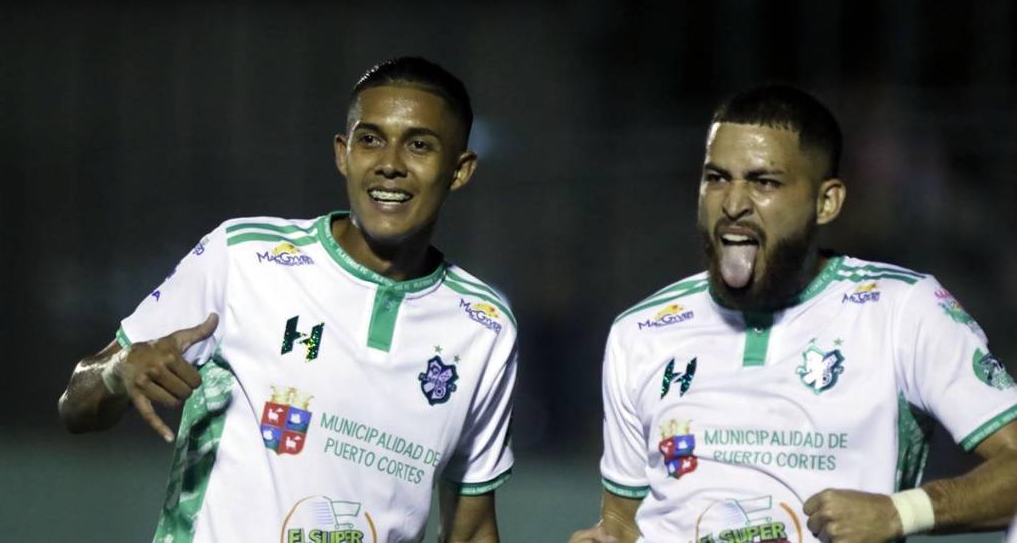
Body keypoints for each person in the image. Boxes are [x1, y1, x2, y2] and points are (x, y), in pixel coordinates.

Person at [58, 57, 517, 543]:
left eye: (419, 145)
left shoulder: (483, 326)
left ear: (460, 170)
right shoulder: (243, 257)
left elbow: (471, 531)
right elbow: (75, 406)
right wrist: (119, 370)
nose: (390, 164)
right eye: (370, 139)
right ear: (343, 154)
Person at [571, 85, 1017, 542]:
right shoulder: (641, 331)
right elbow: (621, 524)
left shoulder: (902, 309)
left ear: (827, 202)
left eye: (764, 182)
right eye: (717, 178)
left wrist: (901, 512)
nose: (733, 204)